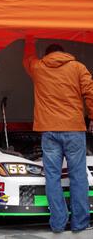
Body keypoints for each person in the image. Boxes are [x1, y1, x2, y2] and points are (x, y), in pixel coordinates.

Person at [23, 38, 93, 233]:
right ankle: (80, 224)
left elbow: (27, 59)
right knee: (78, 176)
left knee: (52, 177)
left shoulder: (38, 67)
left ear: (47, 55)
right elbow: (90, 92)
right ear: (63, 53)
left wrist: (29, 39)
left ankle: (58, 224)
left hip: (49, 131)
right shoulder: (78, 67)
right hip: (74, 129)